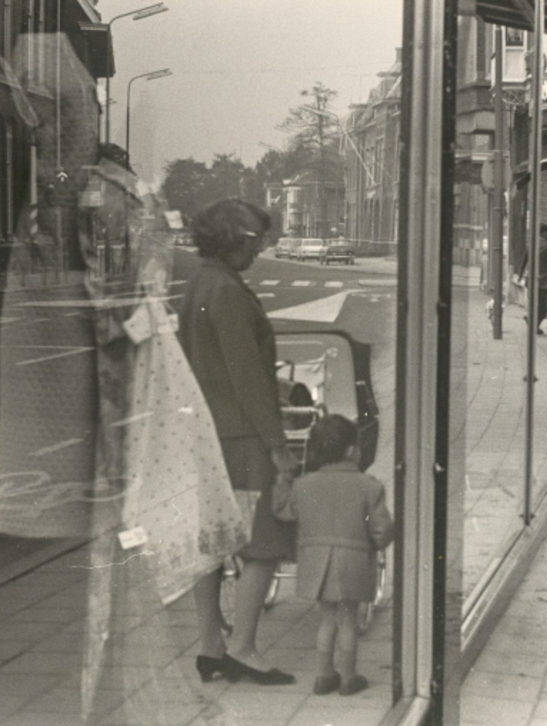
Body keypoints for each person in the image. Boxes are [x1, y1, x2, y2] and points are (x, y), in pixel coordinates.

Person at [178, 198, 299, 686]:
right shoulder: (227, 291)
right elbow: (246, 378)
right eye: (256, 240)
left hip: (207, 434)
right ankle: (243, 649)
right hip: (243, 439)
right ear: (233, 239)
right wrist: (279, 448)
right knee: (263, 546)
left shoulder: (200, 283)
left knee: (211, 546)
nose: (261, 248)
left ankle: (210, 646)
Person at [273, 415, 394, 696]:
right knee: (348, 620)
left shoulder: (304, 485)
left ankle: (324, 675)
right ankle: (349, 677)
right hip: (353, 561)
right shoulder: (369, 486)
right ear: (352, 451)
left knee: (327, 620)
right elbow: (382, 529)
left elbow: (285, 512)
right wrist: (376, 544)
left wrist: (282, 482)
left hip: (316, 563)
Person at [520, 224, 547, 334]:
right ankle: (533, 324)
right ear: (545, 233)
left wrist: (520, 275)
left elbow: (524, 260)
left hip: (531, 280)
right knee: (543, 308)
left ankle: (533, 323)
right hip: (544, 282)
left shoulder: (530, 244)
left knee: (534, 304)